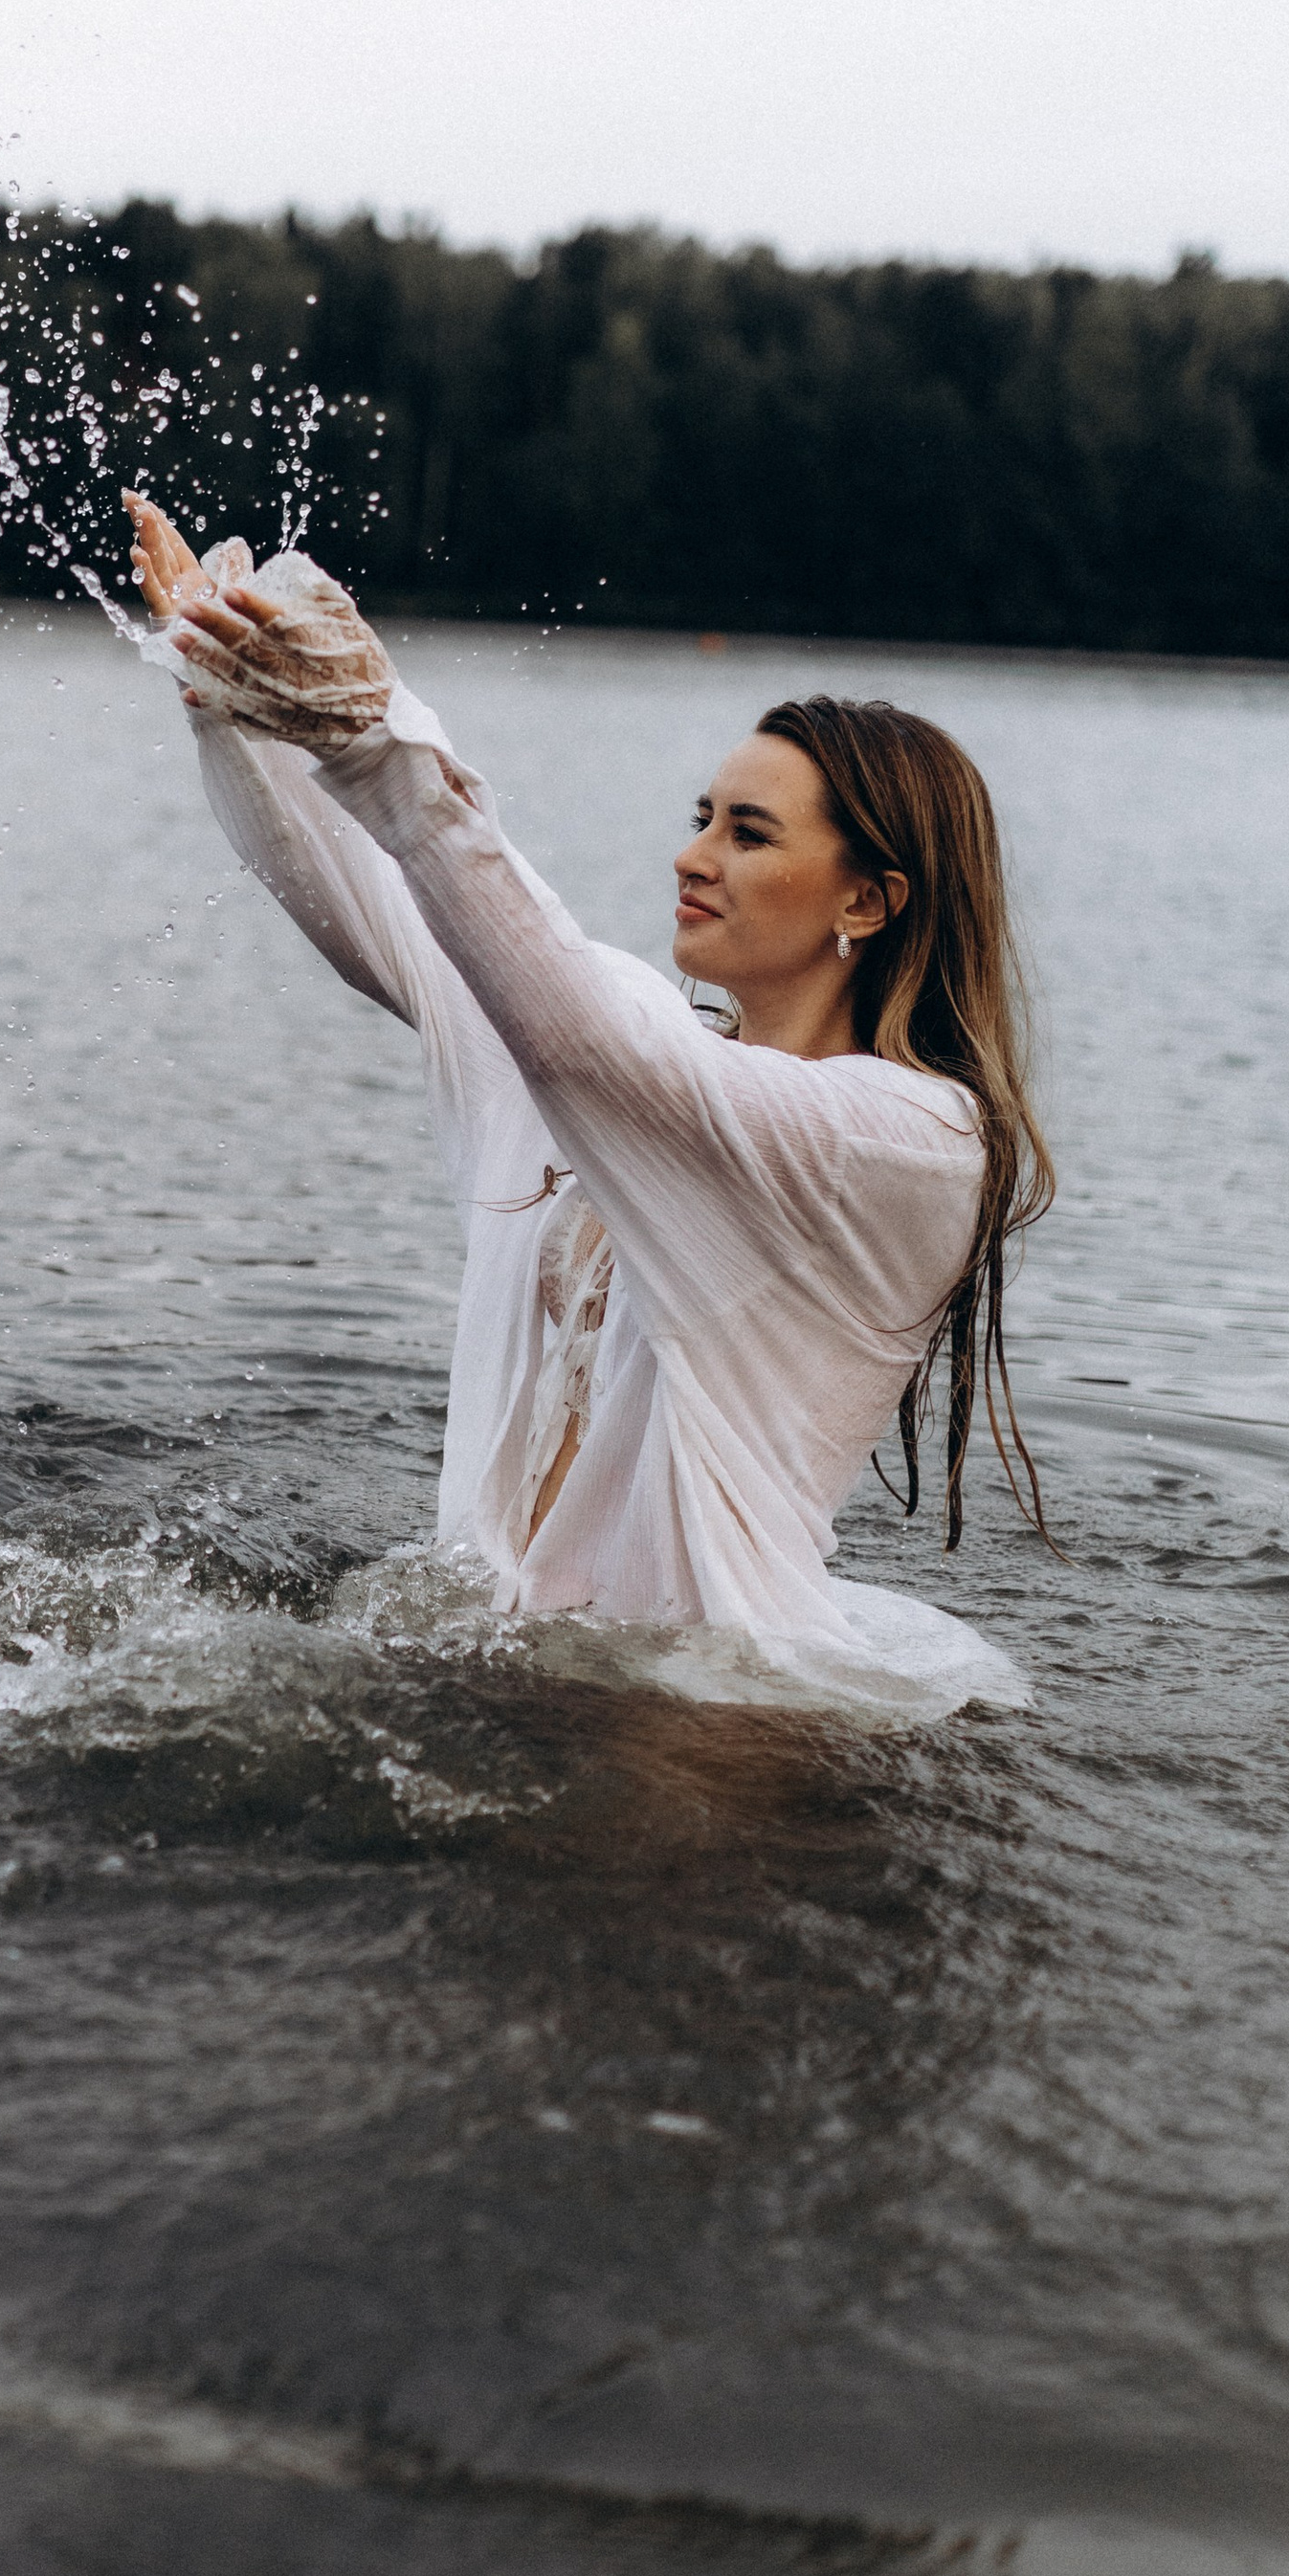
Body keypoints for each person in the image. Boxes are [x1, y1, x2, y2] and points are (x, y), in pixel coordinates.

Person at [122, 493, 1055, 1712]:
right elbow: (401, 930)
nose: (694, 854)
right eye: (701, 817)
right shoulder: (633, 1054)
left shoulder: (909, 1142)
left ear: (868, 903)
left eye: (750, 834)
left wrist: (378, 740)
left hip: (711, 1716)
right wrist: (242, 704)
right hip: (498, 1667)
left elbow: (584, 1035)